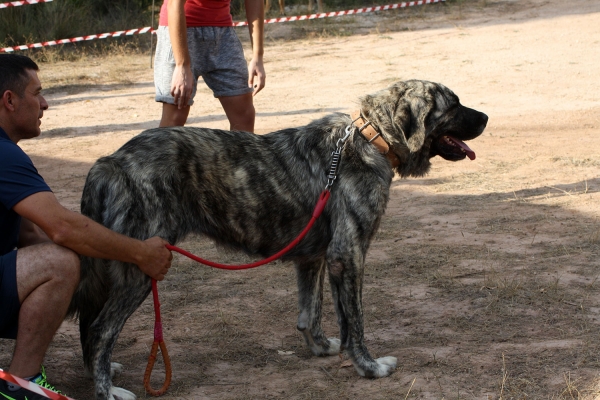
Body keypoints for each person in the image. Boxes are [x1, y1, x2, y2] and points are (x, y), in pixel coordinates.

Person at [0, 54, 173, 399]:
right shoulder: (4, 155)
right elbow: (62, 228)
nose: (45, 104)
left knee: (65, 256)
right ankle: (21, 383)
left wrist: (98, 257)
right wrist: (140, 253)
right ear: (9, 100)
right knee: (60, 263)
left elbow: (32, 233)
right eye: (37, 93)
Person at [154, 0, 266, 131]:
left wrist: (258, 55)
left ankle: (236, 152)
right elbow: (174, 4)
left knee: (244, 116)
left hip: (223, 32)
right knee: (174, 118)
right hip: (180, 31)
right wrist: (182, 65)